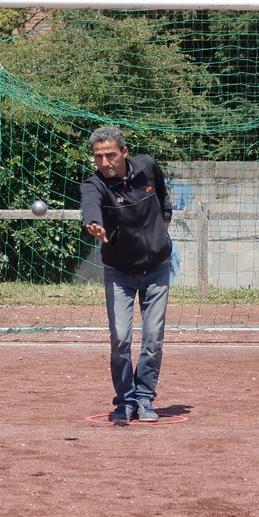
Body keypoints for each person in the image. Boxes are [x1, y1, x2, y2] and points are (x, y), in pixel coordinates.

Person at [80, 126, 173, 424]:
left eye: (110, 155)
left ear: (124, 152)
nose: (104, 163)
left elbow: (162, 193)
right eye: (98, 157)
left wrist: (165, 219)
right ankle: (125, 400)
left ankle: (145, 398)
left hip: (156, 268)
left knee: (153, 338)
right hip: (119, 272)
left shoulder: (147, 166)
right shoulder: (94, 184)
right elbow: (90, 206)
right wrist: (94, 224)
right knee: (120, 338)